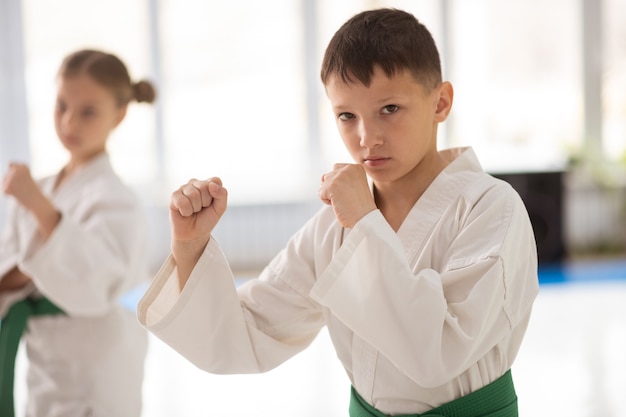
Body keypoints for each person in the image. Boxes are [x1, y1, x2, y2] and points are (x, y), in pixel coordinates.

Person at [138, 8, 539, 417]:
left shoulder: (490, 208)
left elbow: (436, 353)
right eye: (347, 116)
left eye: (389, 109)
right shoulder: (335, 226)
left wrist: (366, 222)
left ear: (441, 102)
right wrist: (190, 246)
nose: (368, 138)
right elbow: (245, 334)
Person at [0, 49, 156, 417]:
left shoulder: (119, 200)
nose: (69, 122)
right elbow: (11, 267)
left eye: (88, 111)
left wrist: (39, 208)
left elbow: (96, 282)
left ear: (119, 114)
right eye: (61, 106)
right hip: (47, 360)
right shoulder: (42, 187)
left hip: (98, 364)